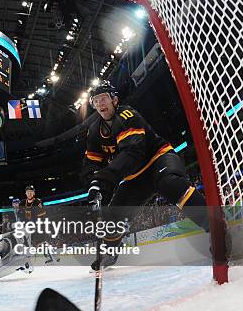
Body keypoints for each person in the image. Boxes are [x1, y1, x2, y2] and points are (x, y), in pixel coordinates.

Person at [82, 81, 212, 269]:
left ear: (114, 99)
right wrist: (93, 182)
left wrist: (104, 178)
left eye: (104, 98)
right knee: (112, 216)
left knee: (170, 184)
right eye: (96, 101)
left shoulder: (127, 115)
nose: (100, 104)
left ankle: (215, 228)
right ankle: (110, 251)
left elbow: (133, 153)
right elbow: (91, 163)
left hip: (158, 160)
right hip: (134, 179)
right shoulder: (94, 130)